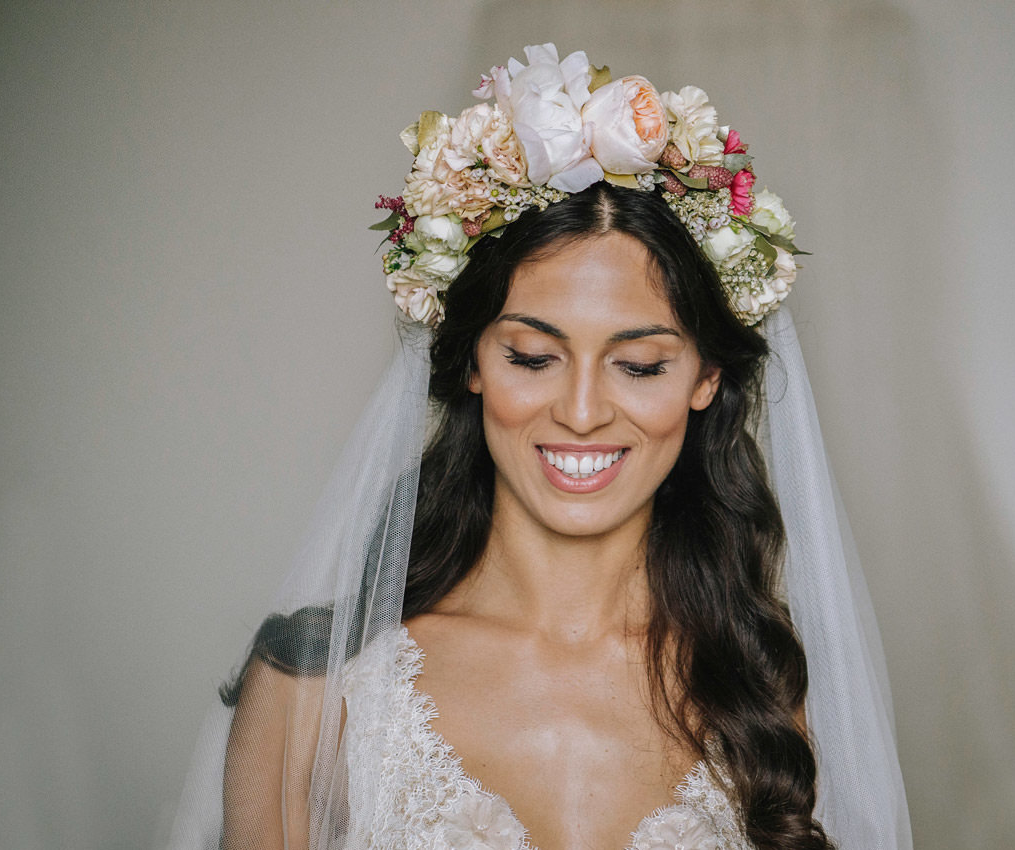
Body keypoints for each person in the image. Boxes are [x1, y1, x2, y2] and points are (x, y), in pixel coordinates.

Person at [166, 44, 910, 850]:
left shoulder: (764, 689)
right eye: (532, 356)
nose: (583, 412)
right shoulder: (312, 691)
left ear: (705, 379)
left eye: (639, 364)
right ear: (475, 361)